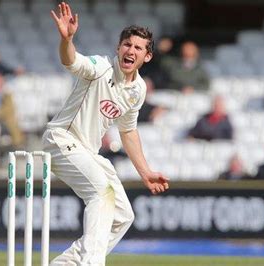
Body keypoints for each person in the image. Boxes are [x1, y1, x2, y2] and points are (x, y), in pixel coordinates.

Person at [42, 3, 169, 265]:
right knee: (101, 193)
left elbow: (128, 130)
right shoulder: (100, 68)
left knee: (123, 216)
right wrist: (67, 40)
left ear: (147, 57)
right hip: (61, 140)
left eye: (138, 48)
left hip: (87, 151)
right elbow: (71, 60)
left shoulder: (138, 90)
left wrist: (145, 172)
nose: (130, 50)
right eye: (127, 45)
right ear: (118, 48)